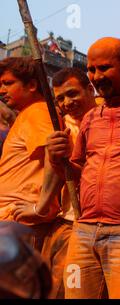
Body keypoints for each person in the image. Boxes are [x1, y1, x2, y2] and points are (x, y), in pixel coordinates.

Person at [46, 38, 120, 299]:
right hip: (83, 231)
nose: (96, 76)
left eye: (104, 68)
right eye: (91, 70)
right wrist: (59, 160)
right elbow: (76, 173)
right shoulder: (91, 117)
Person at [11, 67, 97, 299]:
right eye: (60, 98)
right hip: (69, 222)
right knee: (57, 289)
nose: (67, 102)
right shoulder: (62, 127)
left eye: (72, 94)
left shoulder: (107, 118)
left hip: (105, 224)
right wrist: (40, 207)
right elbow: (54, 169)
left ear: (90, 90)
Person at [0, 57, 58, 250]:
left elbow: (55, 154)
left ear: (32, 85)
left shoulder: (38, 111)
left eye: (8, 83)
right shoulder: (27, 113)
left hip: (19, 221)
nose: (1, 90)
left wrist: (40, 207)